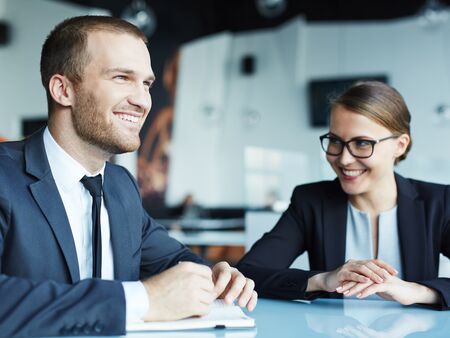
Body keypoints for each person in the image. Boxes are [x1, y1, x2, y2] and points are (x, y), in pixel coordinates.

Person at [0, 16, 257, 337]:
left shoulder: (120, 185)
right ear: (63, 89)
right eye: (122, 77)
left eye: (147, 83)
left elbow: (174, 258)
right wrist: (144, 299)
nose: (142, 100)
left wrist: (217, 276)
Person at [237, 81, 449, 309]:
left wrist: (418, 291)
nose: (344, 159)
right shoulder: (311, 201)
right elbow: (246, 274)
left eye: (361, 143)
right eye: (336, 141)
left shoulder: (438, 201)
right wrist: (323, 280)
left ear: (400, 145)